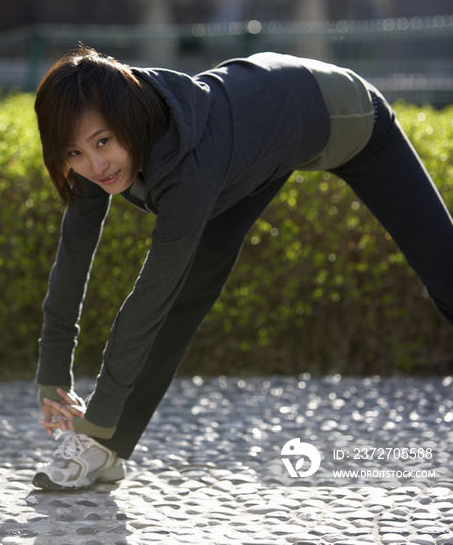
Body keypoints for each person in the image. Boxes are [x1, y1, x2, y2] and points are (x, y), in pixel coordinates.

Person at [32, 46, 453, 490]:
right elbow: (73, 256)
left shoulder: (190, 172)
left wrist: (94, 416)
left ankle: (101, 432)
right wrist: (52, 378)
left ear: (128, 120)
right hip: (262, 140)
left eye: (103, 143)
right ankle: (106, 448)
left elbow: (147, 301)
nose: (95, 166)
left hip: (342, 114)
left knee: (445, 269)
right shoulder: (90, 137)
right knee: (186, 289)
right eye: (75, 152)